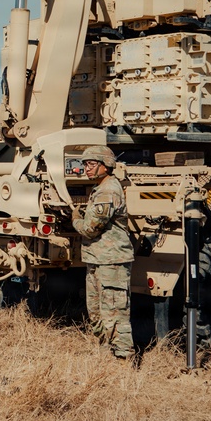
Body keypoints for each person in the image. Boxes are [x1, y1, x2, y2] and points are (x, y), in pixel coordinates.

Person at [71, 144, 135, 360]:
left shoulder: (108, 190)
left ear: (105, 166)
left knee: (114, 314)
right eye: (85, 164)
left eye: (91, 164)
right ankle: (106, 356)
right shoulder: (100, 188)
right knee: (97, 314)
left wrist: (75, 220)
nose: (86, 169)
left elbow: (90, 229)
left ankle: (123, 359)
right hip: (99, 260)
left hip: (112, 262)